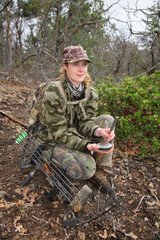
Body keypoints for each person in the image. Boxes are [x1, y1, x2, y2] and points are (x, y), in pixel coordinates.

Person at [29, 45, 115, 183]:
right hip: (51, 139)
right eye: (75, 64)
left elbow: (85, 122)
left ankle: (100, 171)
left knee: (107, 121)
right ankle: (65, 162)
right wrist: (86, 145)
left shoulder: (90, 93)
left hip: (74, 134)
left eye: (84, 64)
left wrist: (97, 131)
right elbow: (59, 133)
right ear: (65, 66)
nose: (81, 69)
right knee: (87, 168)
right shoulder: (54, 92)